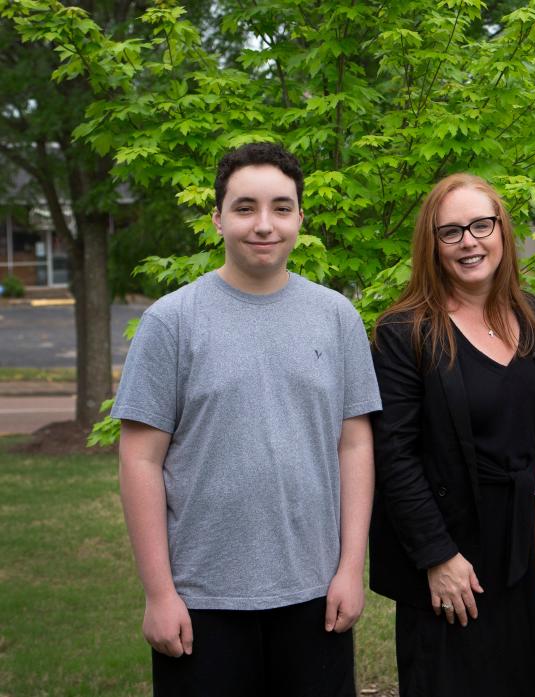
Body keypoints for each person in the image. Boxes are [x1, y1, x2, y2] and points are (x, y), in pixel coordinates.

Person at [112, 142, 381, 696]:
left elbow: (354, 446)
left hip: (315, 596)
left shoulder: (337, 318)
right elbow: (139, 459)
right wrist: (159, 593)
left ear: (300, 218)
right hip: (200, 599)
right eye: (244, 208)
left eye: (281, 208)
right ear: (217, 218)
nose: (264, 225)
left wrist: (351, 569)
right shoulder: (171, 323)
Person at [369, 173, 535, 697]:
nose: (469, 242)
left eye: (481, 225)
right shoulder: (404, 331)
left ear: (502, 230)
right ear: (431, 246)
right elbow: (394, 455)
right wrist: (437, 556)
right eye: (451, 232)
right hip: (457, 559)